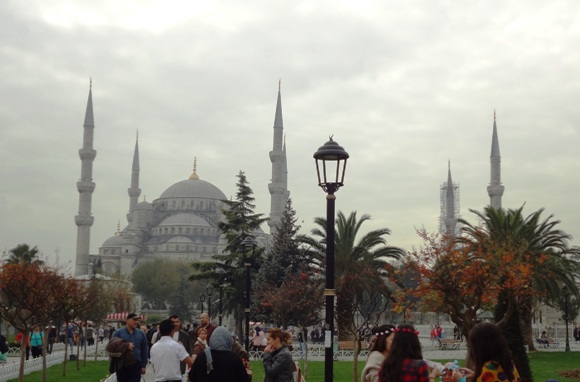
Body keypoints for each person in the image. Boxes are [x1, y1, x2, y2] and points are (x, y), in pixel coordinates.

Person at [112, 313, 148, 382]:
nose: (136, 322)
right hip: (122, 365)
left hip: (136, 365)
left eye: (137, 320)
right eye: (134, 320)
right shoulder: (118, 333)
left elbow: (144, 350)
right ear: (127, 320)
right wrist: (125, 346)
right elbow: (112, 346)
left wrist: (143, 365)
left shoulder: (141, 333)